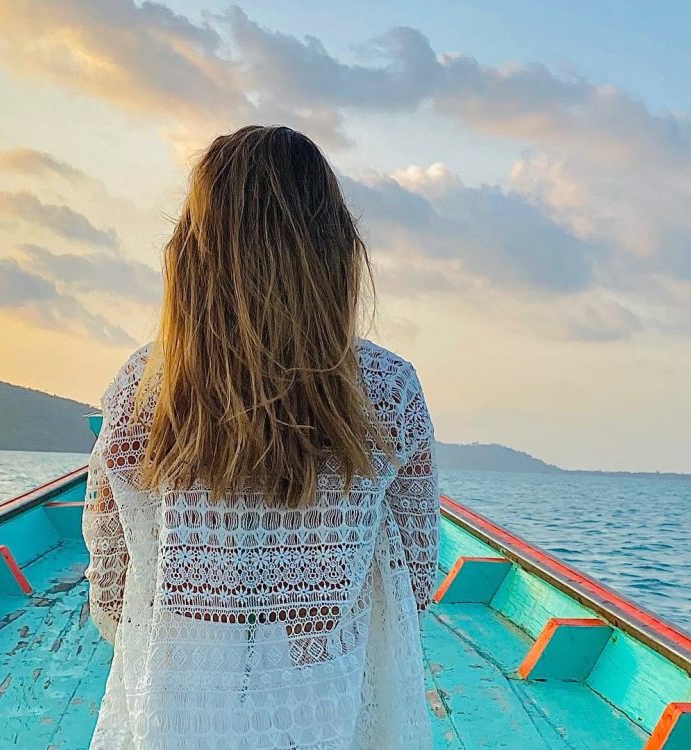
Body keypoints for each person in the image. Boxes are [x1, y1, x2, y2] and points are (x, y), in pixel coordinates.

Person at [83, 125, 438, 749]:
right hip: (327, 706)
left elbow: (112, 577)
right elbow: (413, 578)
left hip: (181, 715)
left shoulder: (143, 387)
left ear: (191, 254)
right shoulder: (387, 388)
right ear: (335, 251)